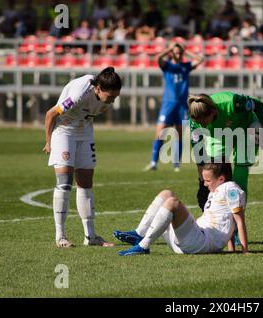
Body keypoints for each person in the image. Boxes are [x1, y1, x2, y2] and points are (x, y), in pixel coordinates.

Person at [43, 67, 122, 248]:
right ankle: (60, 236)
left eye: (116, 97)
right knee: (64, 182)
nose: (113, 101)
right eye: (110, 97)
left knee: (86, 183)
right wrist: (48, 142)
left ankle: (91, 236)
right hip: (64, 131)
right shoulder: (80, 92)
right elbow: (51, 114)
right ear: (98, 89)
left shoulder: (105, 97)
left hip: (85, 132)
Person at [113, 163, 249, 255]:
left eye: (208, 180)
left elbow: (238, 221)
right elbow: (226, 220)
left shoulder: (231, 189)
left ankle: (143, 246)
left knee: (173, 203)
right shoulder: (216, 190)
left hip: (201, 242)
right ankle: (139, 234)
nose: (205, 184)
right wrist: (231, 249)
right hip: (189, 241)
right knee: (167, 193)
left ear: (221, 179)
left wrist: (244, 251)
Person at [187, 91, 263, 212]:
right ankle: (218, 216)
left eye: (204, 122)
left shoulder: (233, 103)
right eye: (199, 123)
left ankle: (236, 218)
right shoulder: (195, 122)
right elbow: (200, 157)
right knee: (215, 173)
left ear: (213, 111)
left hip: (246, 128)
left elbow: (258, 105)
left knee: (241, 172)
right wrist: (202, 183)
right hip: (219, 135)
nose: (202, 126)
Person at [144, 42, 204, 172]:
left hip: (182, 105)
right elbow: (158, 59)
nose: (178, 54)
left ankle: (176, 165)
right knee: (160, 133)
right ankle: (154, 162)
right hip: (168, 103)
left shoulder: (186, 66)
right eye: (176, 52)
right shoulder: (168, 66)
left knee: (179, 134)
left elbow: (200, 59)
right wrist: (169, 49)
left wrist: (185, 50)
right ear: (171, 53)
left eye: (179, 52)